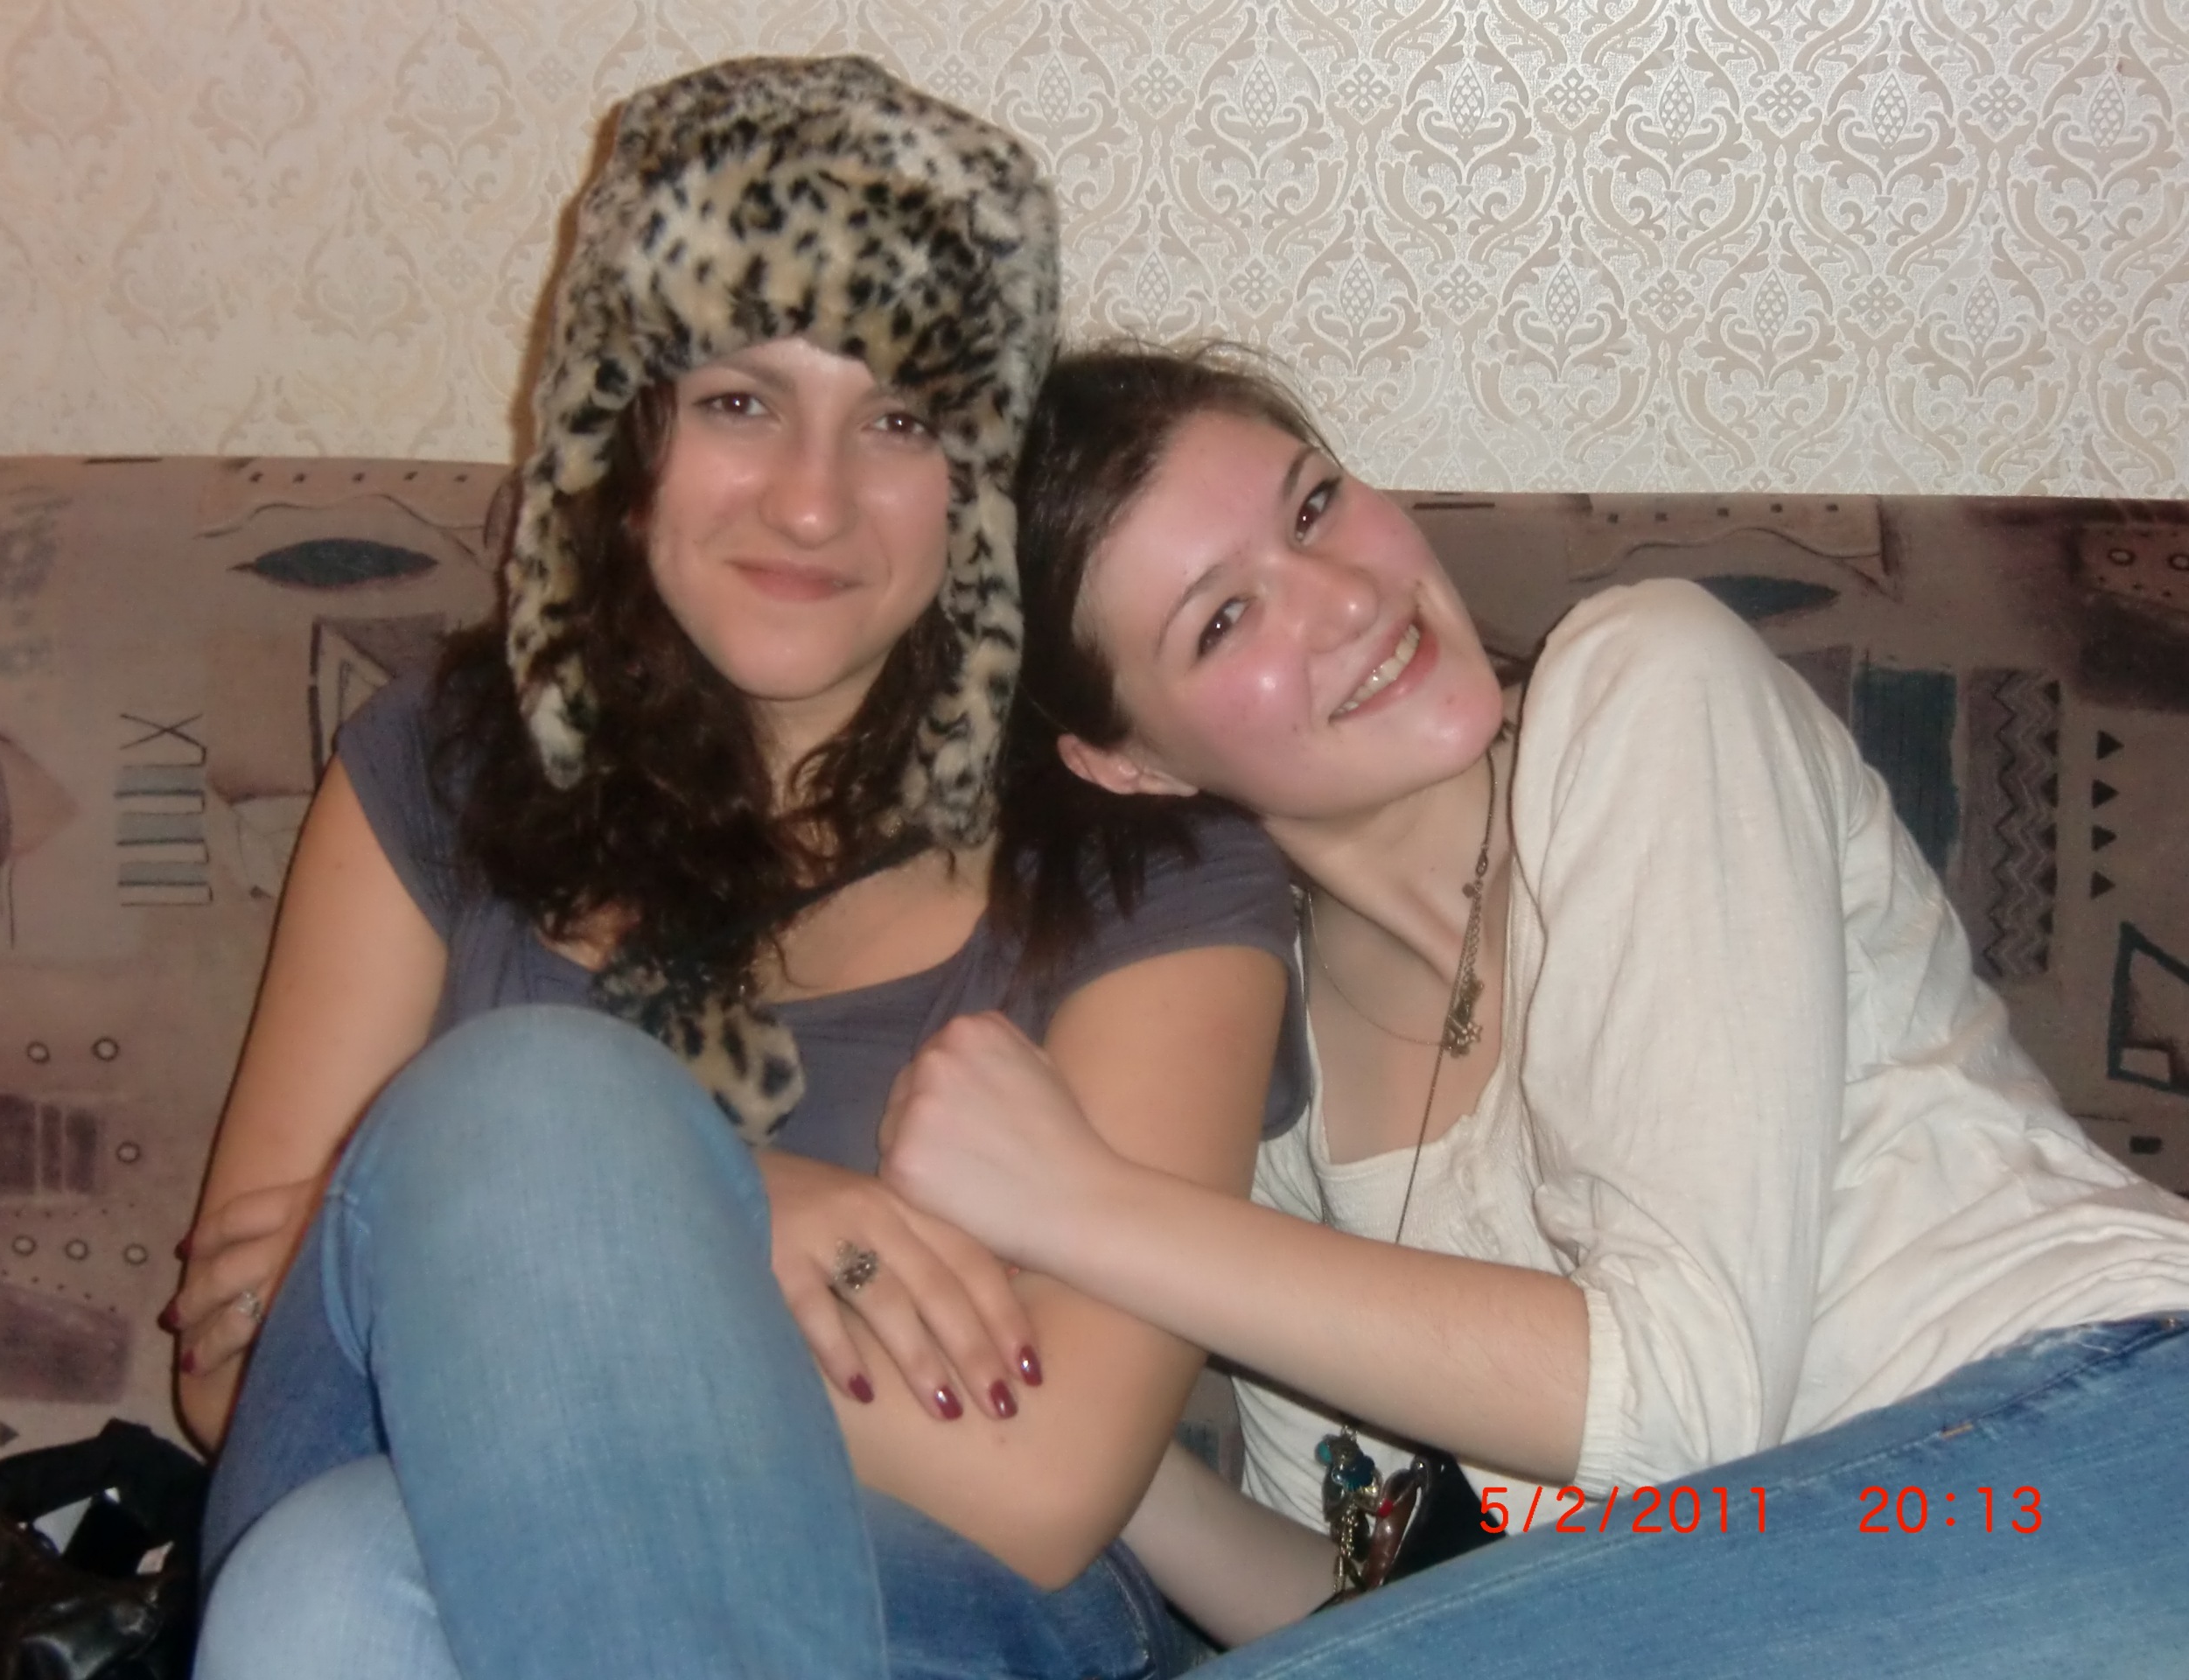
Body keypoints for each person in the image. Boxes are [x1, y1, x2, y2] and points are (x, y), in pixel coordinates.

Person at [171, 78, 1299, 1677]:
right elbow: (233, 1372)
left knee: (338, 1577)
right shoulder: (446, 762)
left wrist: (560, 1224)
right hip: (402, 1496)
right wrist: (730, 1206)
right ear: (624, 422)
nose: (814, 500)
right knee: (523, 1121)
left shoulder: (1144, 848)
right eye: (741, 401)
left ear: (978, 471)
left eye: (900, 421)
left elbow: (1049, 1489)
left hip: (948, 1615)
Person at [877, 345, 2189, 1675]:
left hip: (2092, 1438)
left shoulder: (1644, 681)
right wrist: (1084, 1450)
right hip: (1747, 1597)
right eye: (1224, 620)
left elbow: (1683, 1405)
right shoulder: (1273, 1097)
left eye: (1314, 506)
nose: (1345, 599)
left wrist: (1089, 1207)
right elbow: (1383, 1613)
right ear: (1126, 763)